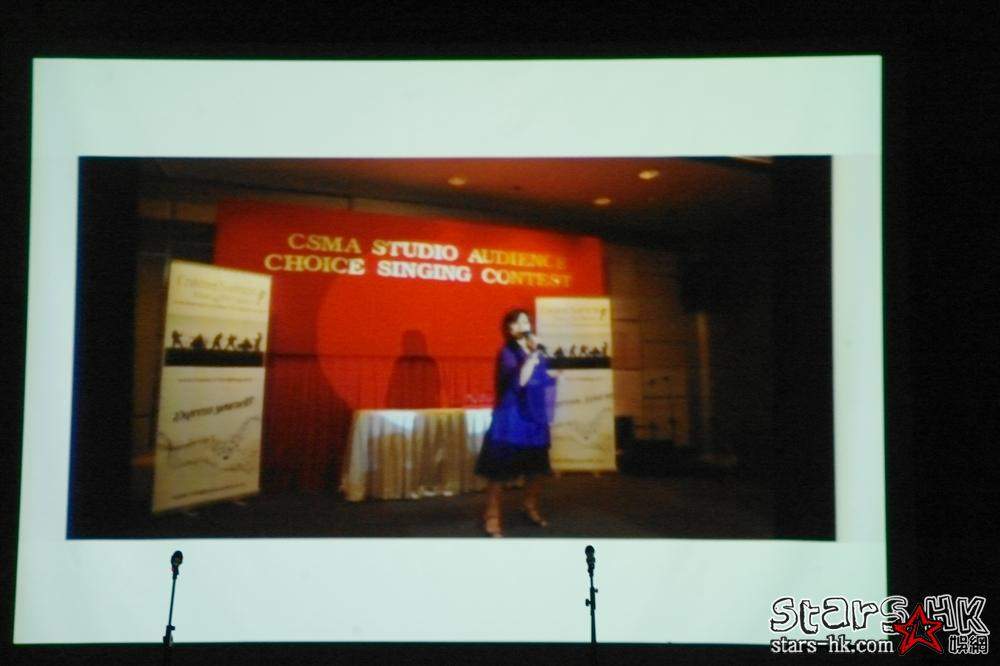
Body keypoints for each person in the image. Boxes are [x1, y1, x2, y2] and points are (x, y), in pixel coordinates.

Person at [475, 308, 557, 537]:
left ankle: (529, 506)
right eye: (517, 322)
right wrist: (533, 355)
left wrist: (552, 373)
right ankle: (491, 515)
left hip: (534, 417)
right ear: (509, 329)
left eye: (526, 321)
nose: (523, 325)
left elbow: (546, 380)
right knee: (499, 472)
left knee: (536, 468)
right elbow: (519, 381)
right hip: (512, 419)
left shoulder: (538, 352)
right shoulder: (507, 353)